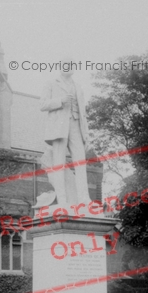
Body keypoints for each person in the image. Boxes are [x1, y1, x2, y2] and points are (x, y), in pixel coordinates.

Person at [39, 57, 92, 206]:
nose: (66, 67)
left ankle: (84, 198)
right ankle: (62, 199)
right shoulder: (51, 83)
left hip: (76, 125)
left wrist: (86, 134)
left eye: (69, 65)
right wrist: (61, 100)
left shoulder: (78, 86)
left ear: (73, 68)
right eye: (64, 65)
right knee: (58, 163)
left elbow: (83, 113)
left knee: (80, 162)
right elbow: (42, 104)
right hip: (58, 127)